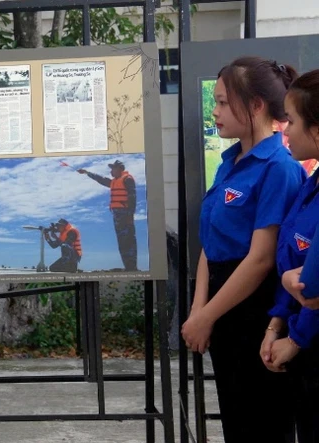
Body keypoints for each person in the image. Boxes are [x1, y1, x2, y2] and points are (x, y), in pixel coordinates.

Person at [181, 57, 304, 443]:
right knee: (235, 416)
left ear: (255, 106)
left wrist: (206, 316)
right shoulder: (230, 162)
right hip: (221, 301)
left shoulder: (278, 168)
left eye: (221, 102)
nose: (214, 111)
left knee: (262, 421)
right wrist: (199, 309)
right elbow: (210, 243)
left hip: (255, 306)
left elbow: (261, 259)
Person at [262, 69, 319, 441]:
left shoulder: (283, 171)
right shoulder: (311, 182)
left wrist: (295, 339)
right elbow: (292, 265)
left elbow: (311, 288)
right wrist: (276, 325)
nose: (285, 130)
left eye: (293, 121)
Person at [77, 160, 137, 271]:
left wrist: (130, 215)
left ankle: (132, 267)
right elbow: (101, 179)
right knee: (122, 242)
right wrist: (86, 172)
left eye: (113, 168)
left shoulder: (127, 179)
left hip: (125, 215)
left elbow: (132, 197)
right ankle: (128, 267)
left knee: (128, 241)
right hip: (117, 216)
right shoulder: (114, 181)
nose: (111, 171)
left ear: (119, 169)